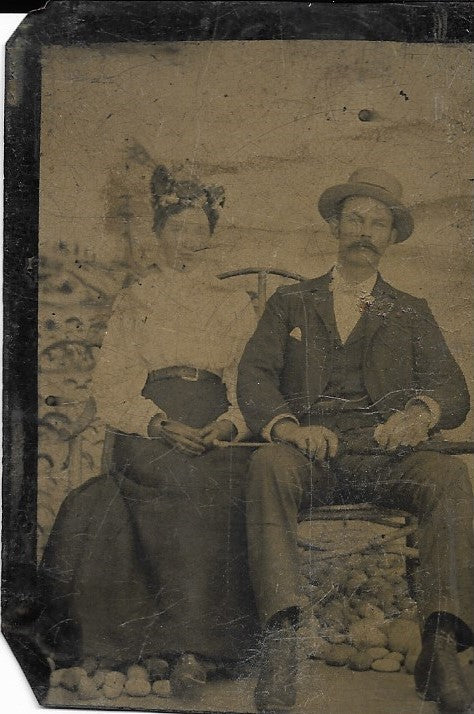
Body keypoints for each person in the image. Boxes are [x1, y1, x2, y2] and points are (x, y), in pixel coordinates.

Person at [237, 168, 474, 713]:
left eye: (378, 223)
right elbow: (254, 375)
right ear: (335, 228)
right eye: (355, 219)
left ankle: (439, 649)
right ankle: (281, 644)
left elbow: (452, 389)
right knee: (268, 466)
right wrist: (290, 427)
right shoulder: (290, 302)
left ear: (391, 238)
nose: (365, 231)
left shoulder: (412, 311)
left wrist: (418, 413)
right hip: (310, 455)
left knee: (448, 475)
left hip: (387, 456)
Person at [39, 168, 258, 696]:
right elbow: (113, 384)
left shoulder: (233, 303)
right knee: (171, 481)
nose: (187, 241)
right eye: (176, 229)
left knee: (216, 484)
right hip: (151, 426)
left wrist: (227, 425)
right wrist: (159, 423)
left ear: (210, 236)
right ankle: (181, 646)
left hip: (217, 428)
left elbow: (248, 383)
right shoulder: (137, 299)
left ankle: (195, 652)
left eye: (197, 230)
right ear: (160, 234)